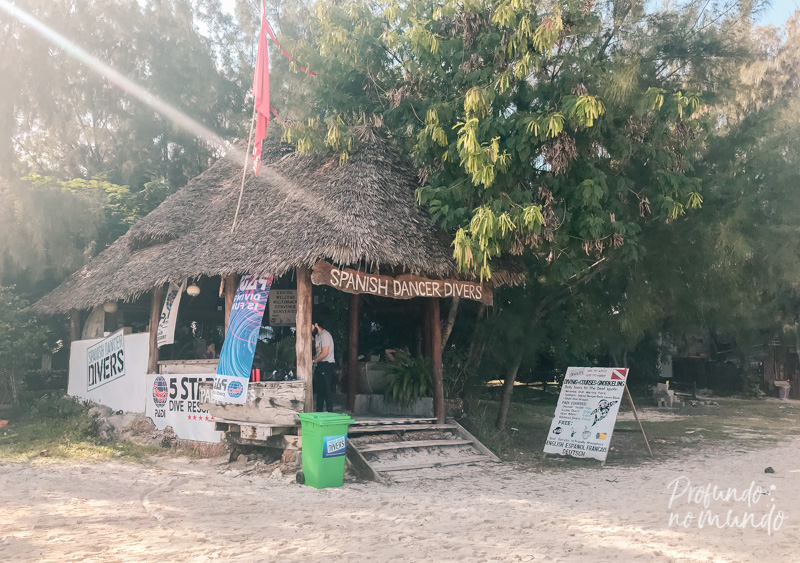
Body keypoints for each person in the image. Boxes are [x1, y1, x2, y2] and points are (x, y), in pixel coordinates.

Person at [312, 317, 336, 412]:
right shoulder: (317, 336)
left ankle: (330, 411)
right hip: (320, 364)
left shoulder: (325, 335)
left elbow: (324, 353)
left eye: (311, 326)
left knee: (326, 389)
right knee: (319, 390)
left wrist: (314, 361)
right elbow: (318, 352)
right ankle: (319, 411)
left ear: (316, 325)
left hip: (327, 364)